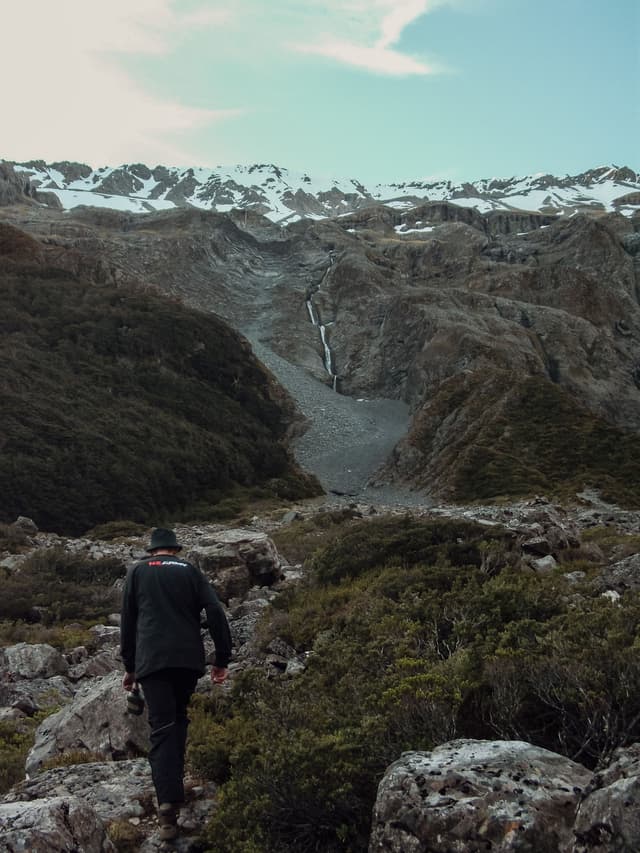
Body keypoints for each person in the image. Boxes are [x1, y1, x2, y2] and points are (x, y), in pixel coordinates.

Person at [120, 527, 232, 841]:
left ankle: (167, 805)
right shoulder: (190, 571)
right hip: (188, 662)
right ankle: (174, 789)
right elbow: (215, 612)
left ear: (153, 550)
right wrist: (221, 658)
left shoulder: (138, 572)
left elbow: (128, 622)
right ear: (174, 550)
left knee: (162, 726)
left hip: (152, 663)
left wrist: (129, 667)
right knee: (177, 720)